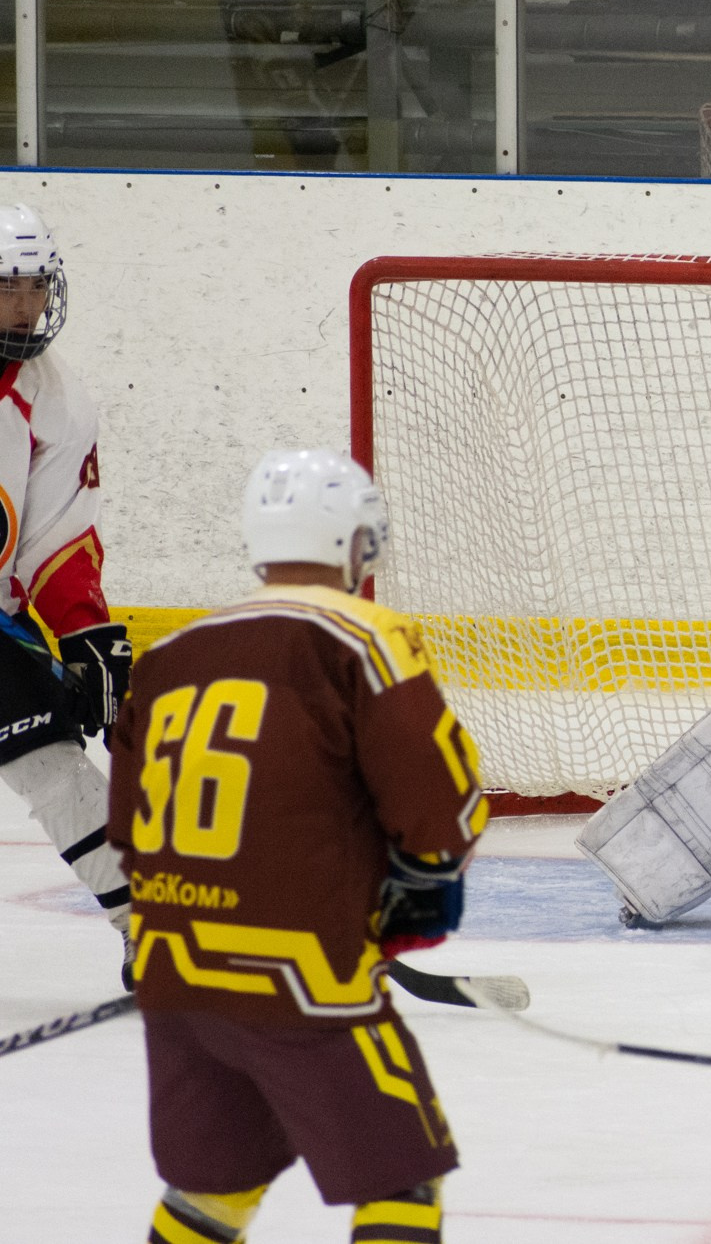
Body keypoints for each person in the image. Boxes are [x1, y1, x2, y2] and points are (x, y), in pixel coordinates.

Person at [106, 449, 488, 1244]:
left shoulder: (172, 654)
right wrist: (427, 876)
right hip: (304, 979)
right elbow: (436, 789)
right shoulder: (363, 635)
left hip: (174, 972)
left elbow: (127, 829)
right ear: (356, 543)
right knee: (399, 1180)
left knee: (212, 1188)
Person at [0, 201, 134, 986]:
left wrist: (86, 634)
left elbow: (55, 540)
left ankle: (148, 925)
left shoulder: (57, 400)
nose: (26, 305)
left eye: (34, 286)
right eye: (7, 286)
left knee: (48, 754)